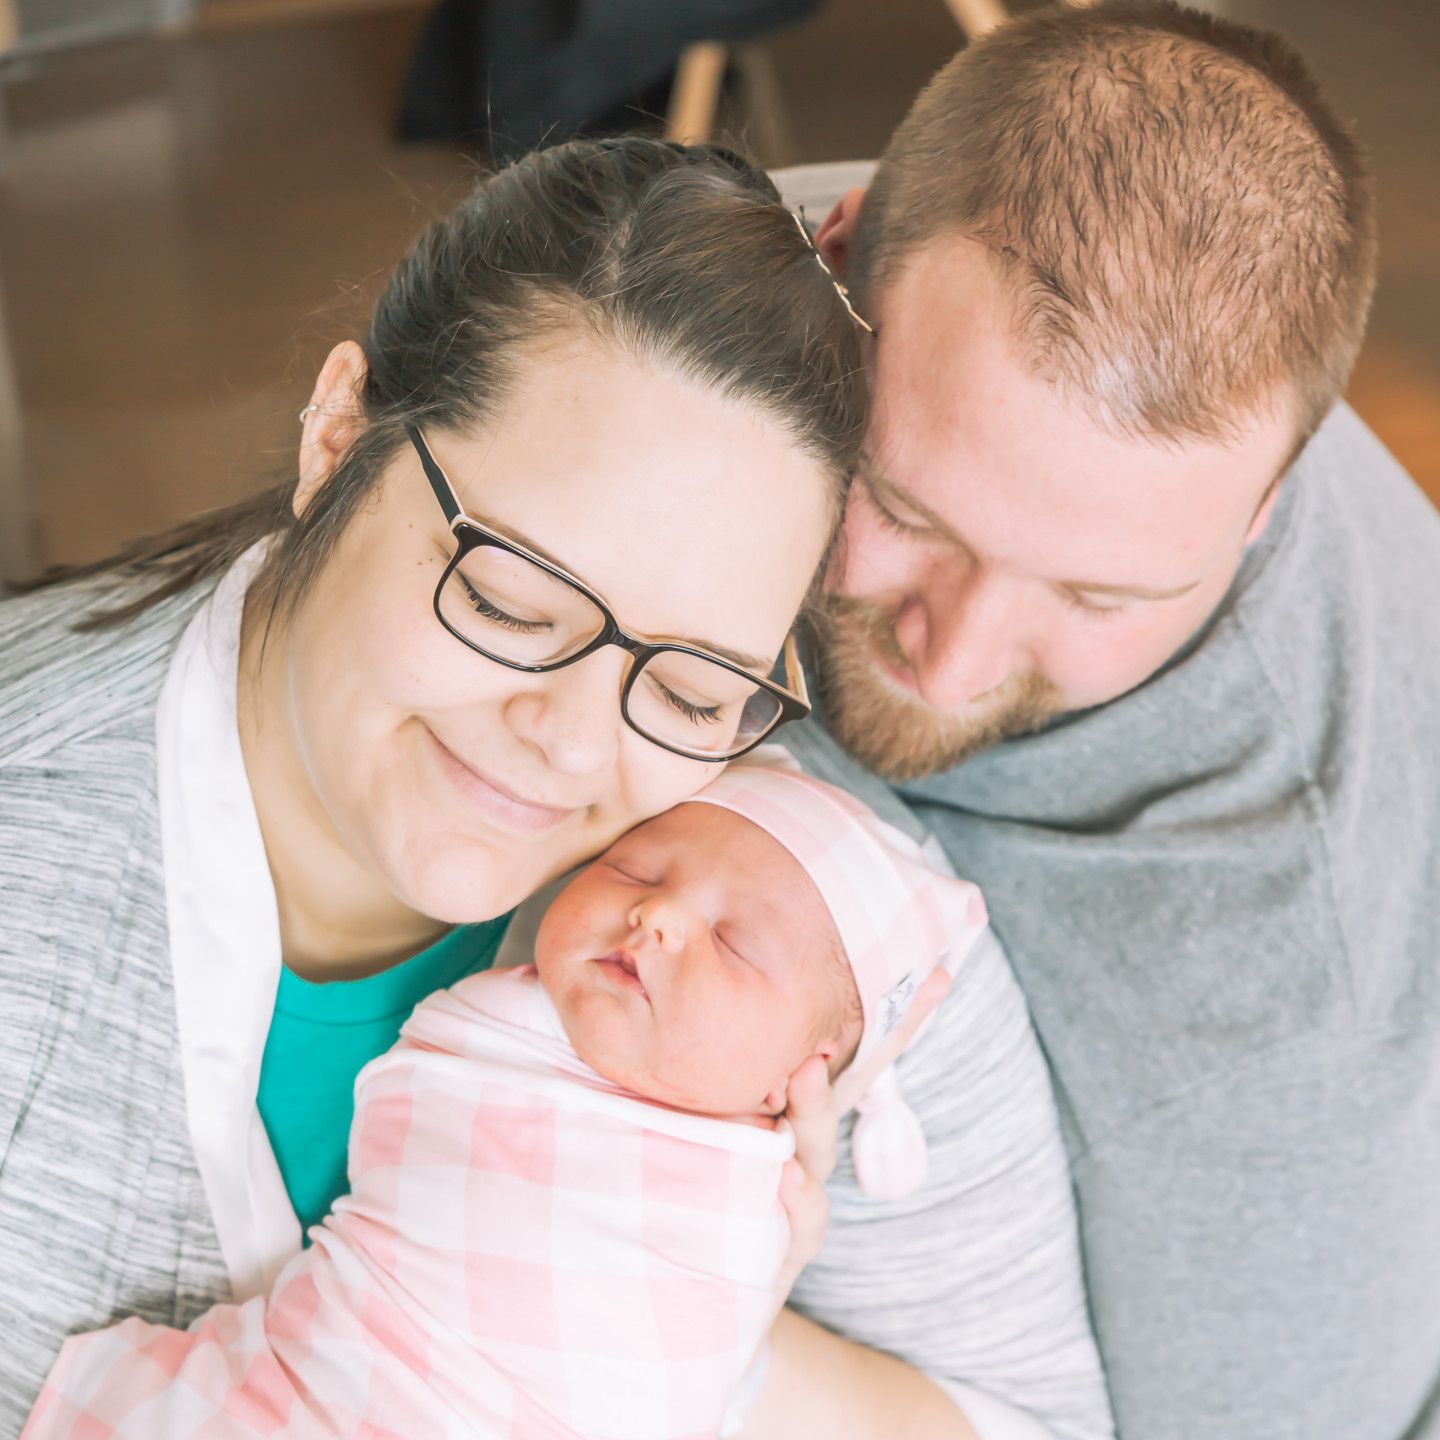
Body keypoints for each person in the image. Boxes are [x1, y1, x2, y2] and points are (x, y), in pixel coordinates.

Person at [0, 137, 1109, 1440]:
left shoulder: (805, 907)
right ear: (339, 432)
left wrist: (692, 1326)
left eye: (696, 689)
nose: (576, 747)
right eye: (510, 603)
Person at [757, 3, 1440, 1438]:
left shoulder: (1277, 1022)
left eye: (1096, 593)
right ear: (838, 251)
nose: (949, 669)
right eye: (903, 508)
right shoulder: (721, 263)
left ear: (1261, 518)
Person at [26, 762, 992, 1440]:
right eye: (636, 871)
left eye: (735, 945)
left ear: (802, 1074)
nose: (657, 914)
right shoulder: (500, 1008)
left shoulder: (739, 1195)